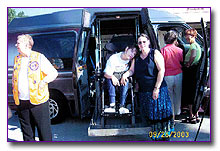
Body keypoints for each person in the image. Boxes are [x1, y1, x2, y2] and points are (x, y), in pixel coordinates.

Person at [122, 34, 174, 141]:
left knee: (160, 114)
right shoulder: (136, 58)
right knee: (151, 116)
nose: (142, 44)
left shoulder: (155, 53)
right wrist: (125, 75)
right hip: (144, 91)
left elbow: (161, 70)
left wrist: (156, 88)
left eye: (144, 42)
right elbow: (132, 70)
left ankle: (164, 139)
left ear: (148, 42)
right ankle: (156, 138)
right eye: (140, 42)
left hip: (157, 90)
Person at [12, 34, 58, 141]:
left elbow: (53, 73)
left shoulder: (39, 57)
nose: (16, 45)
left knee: (44, 132)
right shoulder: (17, 59)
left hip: (38, 101)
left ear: (27, 45)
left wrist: (44, 81)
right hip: (22, 101)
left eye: (18, 43)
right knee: (27, 133)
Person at [103, 44, 137, 114]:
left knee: (126, 80)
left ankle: (122, 105)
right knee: (109, 81)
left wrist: (125, 75)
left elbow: (131, 71)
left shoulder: (132, 60)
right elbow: (106, 73)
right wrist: (112, 77)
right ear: (126, 49)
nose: (132, 55)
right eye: (131, 51)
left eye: (134, 54)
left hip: (123, 75)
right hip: (112, 74)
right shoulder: (113, 58)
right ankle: (112, 105)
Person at [161, 30, 183, 120]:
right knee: (177, 94)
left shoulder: (163, 50)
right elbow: (181, 61)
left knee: (169, 95)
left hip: (167, 75)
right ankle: (177, 112)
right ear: (175, 40)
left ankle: (171, 114)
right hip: (178, 74)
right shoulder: (180, 50)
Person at [182, 28, 202, 124]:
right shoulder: (198, 46)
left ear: (193, 36)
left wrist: (188, 63)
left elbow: (193, 55)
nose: (186, 37)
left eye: (188, 36)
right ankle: (196, 114)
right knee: (193, 93)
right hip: (194, 72)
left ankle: (191, 115)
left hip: (190, 71)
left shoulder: (193, 46)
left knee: (189, 94)